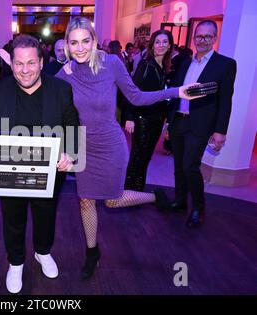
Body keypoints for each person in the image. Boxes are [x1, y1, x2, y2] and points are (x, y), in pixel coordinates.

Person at [55, 17, 200, 280]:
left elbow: (136, 96)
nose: (79, 48)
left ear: (94, 40)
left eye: (85, 41)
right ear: (66, 45)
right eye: (73, 43)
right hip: (81, 146)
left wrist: (177, 92)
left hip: (110, 143)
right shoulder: (65, 73)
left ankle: (155, 197)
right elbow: (42, 96)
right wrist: (18, 69)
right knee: (86, 201)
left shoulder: (111, 63)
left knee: (112, 199)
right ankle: (92, 252)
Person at [0, 34, 79, 294]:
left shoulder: (62, 90)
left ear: (41, 62)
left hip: (49, 170)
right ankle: (15, 262)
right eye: (19, 64)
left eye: (31, 63)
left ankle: (42, 252)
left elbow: (72, 124)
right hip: (10, 170)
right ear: (12, 64)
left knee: (46, 214)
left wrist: (70, 154)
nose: (25, 70)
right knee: (13, 217)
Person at [167, 20, 237, 228]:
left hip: (200, 125)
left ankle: (198, 208)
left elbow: (226, 100)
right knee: (178, 164)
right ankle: (180, 201)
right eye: (199, 36)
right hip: (178, 119)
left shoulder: (225, 64)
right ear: (194, 38)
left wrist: (220, 131)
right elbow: (176, 90)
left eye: (208, 36)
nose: (203, 40)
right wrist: (168, 120)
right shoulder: (186, 61)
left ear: (215, 38)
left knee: (190, 165)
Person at [124, 30, 174, 192]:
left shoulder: (163, 67)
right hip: (142, 118)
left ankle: (137, 191)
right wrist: (130, 117)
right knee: (137, 157)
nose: (161, 45)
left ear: (170, 46)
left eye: (164, 42)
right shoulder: (146, 65)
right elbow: (132, 91)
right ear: (152, 45)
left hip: (157, 119)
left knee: (145, 158)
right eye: (157, 42)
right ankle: (128, 192)